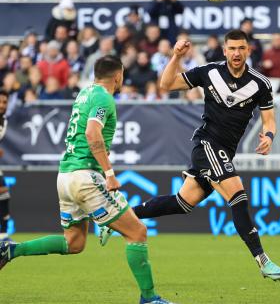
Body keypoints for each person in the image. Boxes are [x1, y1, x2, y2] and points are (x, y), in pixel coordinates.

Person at [101, 30, 280, 281]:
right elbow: (166, 85)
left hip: (224, 153)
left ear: (248, 51)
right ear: (224, 50)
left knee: (183, 202)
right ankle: (263, 260)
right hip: (207, 145)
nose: (236, 53)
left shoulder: (261, 84)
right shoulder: (209, 72)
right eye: (231, 48)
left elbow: (269, 121)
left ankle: (114, 218)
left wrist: (268, 137)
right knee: (238, 195)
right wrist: (176, 57)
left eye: (241, 48)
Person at [0, 55, 172, 304]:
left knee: (74, 243)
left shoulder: (84, 93)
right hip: (85, 176)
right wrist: (110, 174)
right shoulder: (104, 97)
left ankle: (12, 250)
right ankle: (149, 298)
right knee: (137, 232)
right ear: (118, 76)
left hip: (66, 176)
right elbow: (92, 134)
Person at [0, 91, 11, 242]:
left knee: (4, 193)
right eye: (0, 102)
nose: (2, 105)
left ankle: (3, 235)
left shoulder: (4, 121)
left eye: (5, 102)